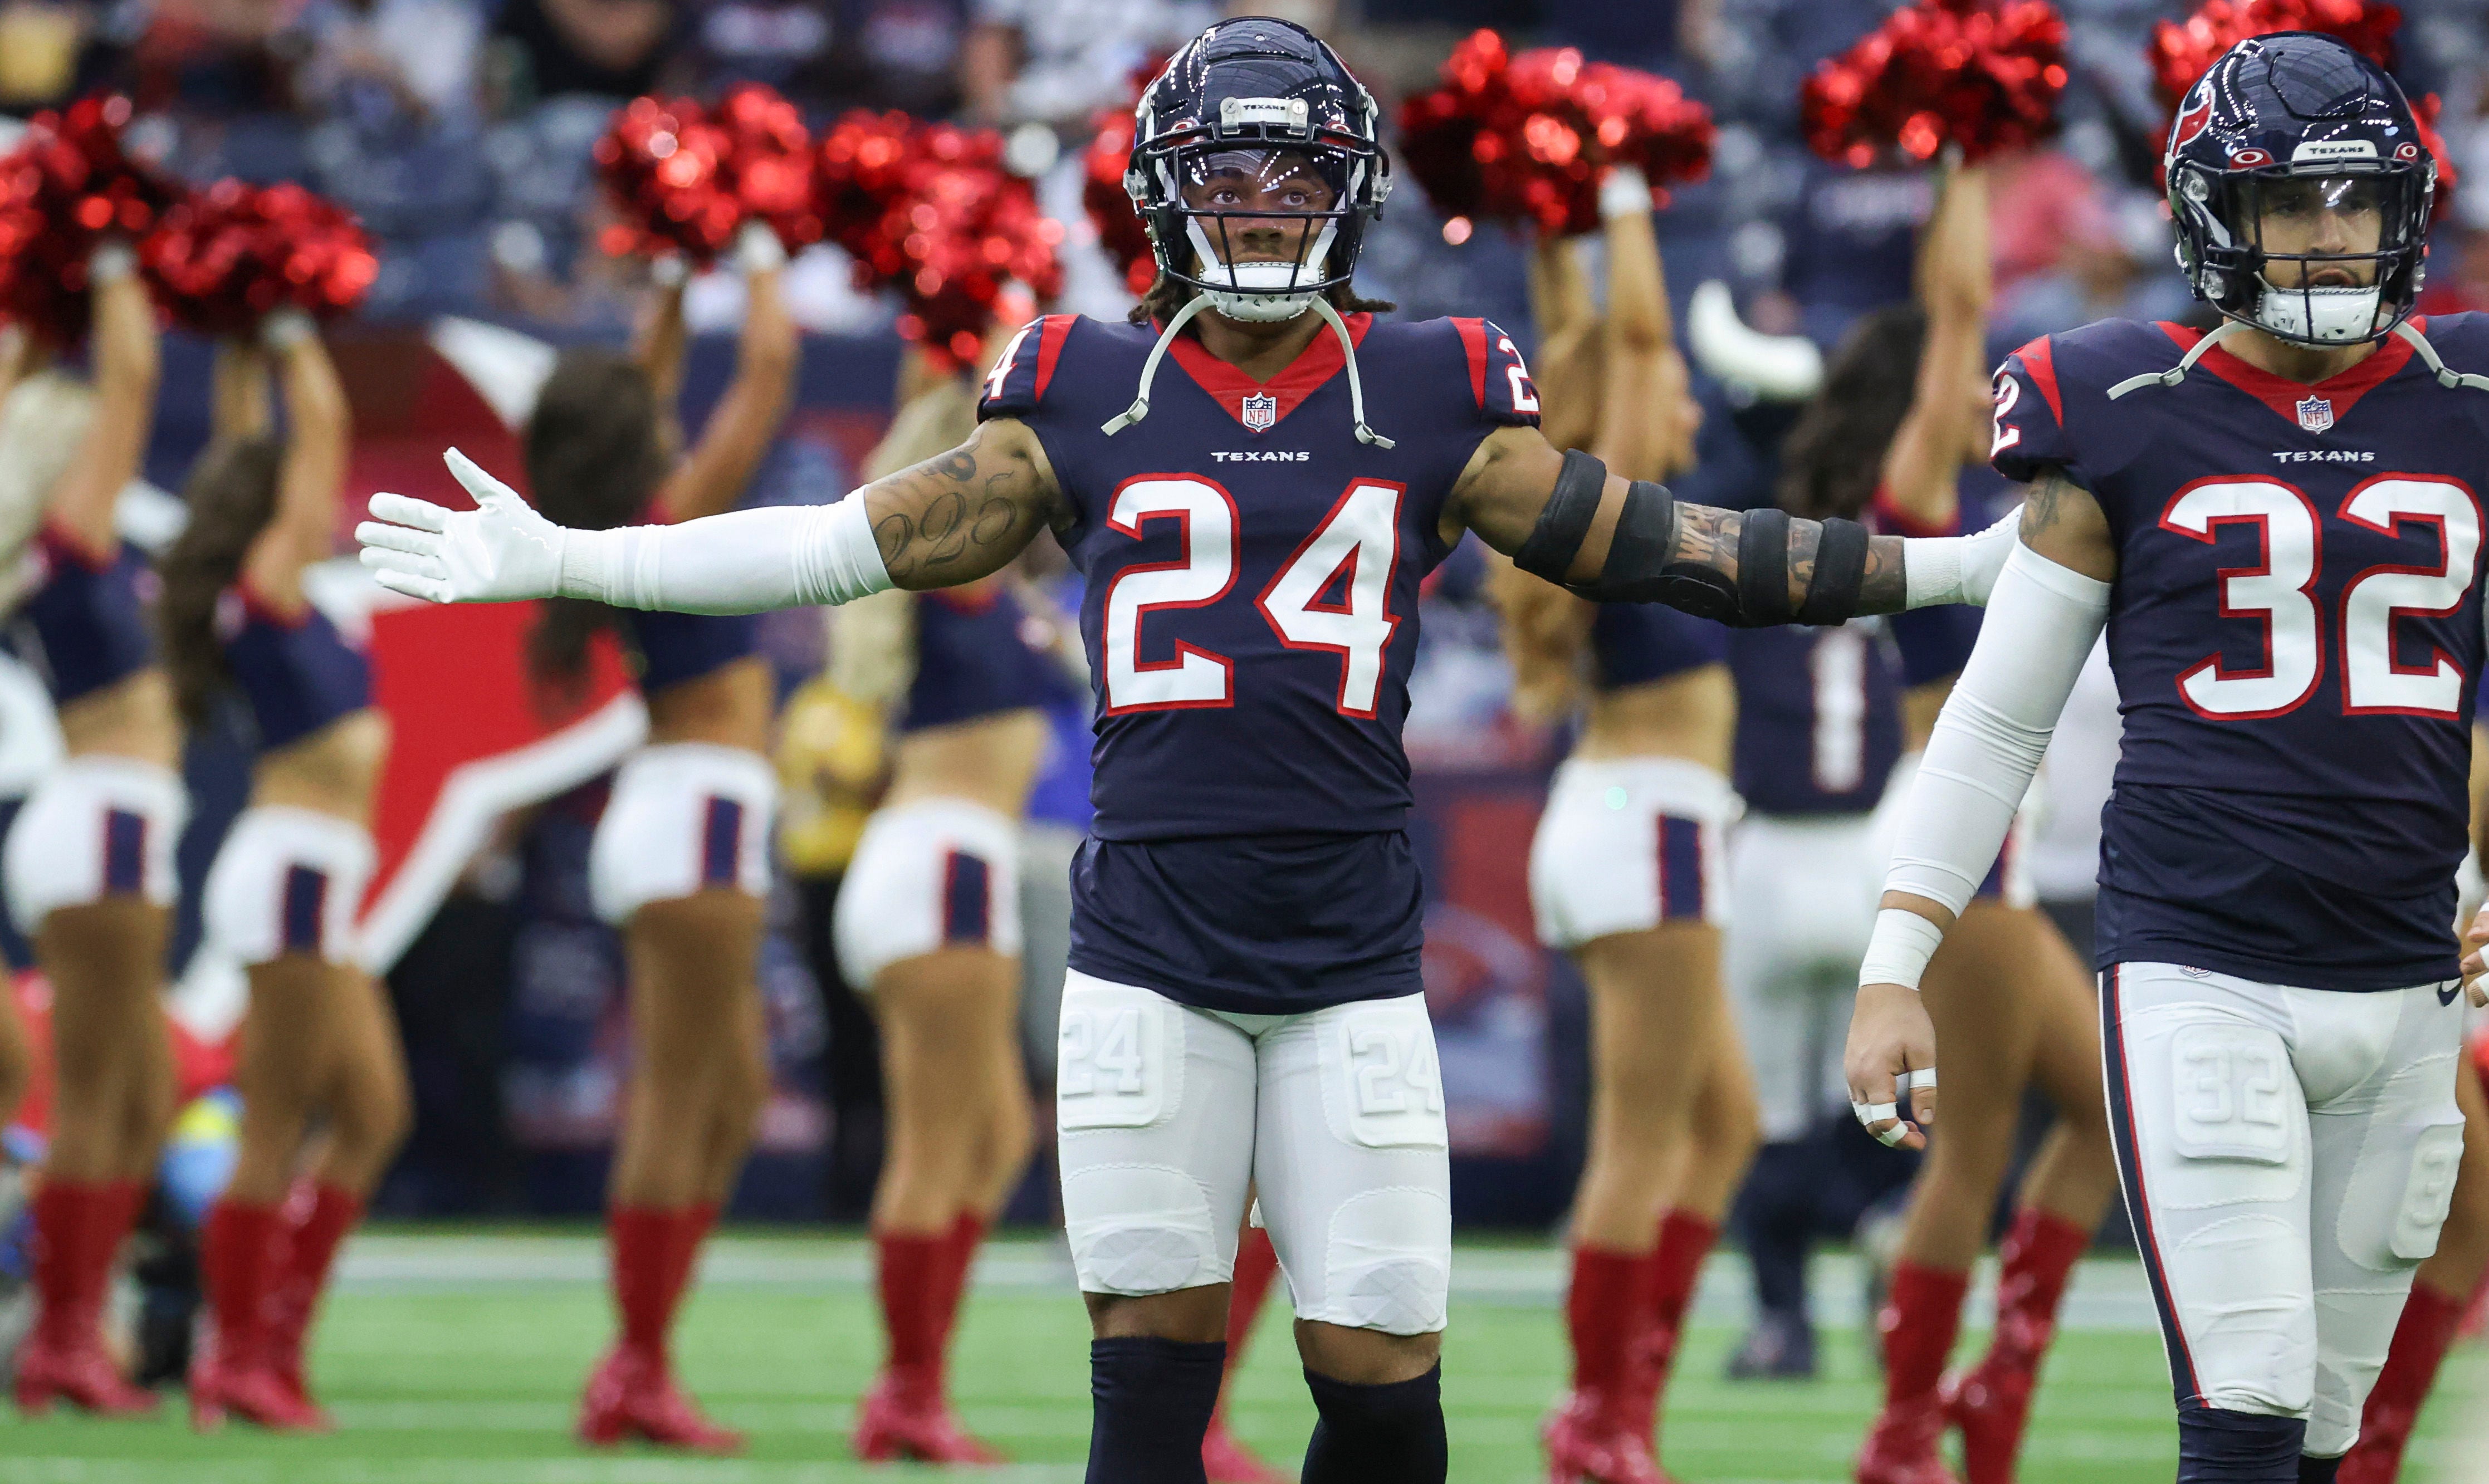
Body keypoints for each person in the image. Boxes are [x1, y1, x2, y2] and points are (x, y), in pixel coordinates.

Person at [356, 21, 2013, 1480]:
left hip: (1352, 959)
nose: (1266, 207)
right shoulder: (1081, 384)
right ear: (1167, 196)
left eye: (1295, 180)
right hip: (1148, 956)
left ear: (1347, 196)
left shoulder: (1429, 380)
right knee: (1144, 1394)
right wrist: (571, 555)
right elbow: (837, 543)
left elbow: (1661, 544)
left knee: (1380, 1391)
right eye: (1231, 177)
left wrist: (1942, 568)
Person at [1843, 35, 2488, 1484]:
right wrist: (1896, 957)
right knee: (2244, 1415)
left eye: (2355, 201)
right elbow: (1997, 717)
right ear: (2214, 214)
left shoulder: (2462, 397)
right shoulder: (2122, 408)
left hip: (2402, 982)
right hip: (2202, 967)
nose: (2329, 236)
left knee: (2323, 1439)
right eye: (2290, 202)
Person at [1818, 161, 2119, 1484]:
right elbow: (1954, 319)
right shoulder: (1921, 490)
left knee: (2003, 1137)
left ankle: (1943, 1423)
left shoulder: (1953, 497)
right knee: (2094, 1112)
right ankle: (1942, 1421)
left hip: (1968, 823)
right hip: (1961, 834)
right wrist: (1963, 162)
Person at [1492, 166, 1760, 1484]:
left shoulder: (1569, 488)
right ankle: (1594, 1415)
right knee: (1644, 1137)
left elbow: (1584, 349)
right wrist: (1624, 188)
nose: (1693, 402)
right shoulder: (1612, 494)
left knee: (1724, 1126)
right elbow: (1633, 344)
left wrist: (1553, 230)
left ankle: (1622, 1398)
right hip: (1646, 814)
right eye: (1670, 394)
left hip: (1622, 803)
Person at [523, 222, 796, 1451]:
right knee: (679, 1100)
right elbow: (770, 379)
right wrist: (755, 245)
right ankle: (632, 1366)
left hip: (683, 807)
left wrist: (678, 278)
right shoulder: (671, 515)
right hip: (694, 810)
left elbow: (668, 380)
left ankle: (643, 1353)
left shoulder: (628, 519)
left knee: (729, 1093)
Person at [159, 314, 413, 1431]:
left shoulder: (280, 586)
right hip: (295, 874)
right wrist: (292, 320)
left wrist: (241, 347)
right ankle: (234, 1358)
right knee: (275, 1124)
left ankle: (273, 1343)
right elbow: (321, 432)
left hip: (314, 877)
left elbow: (248, 443)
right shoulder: (269, 584)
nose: (329, 501)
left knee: (372, 1112)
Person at [830, 351, 1068, 1463]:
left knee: (999, 1131)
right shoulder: (950, 573)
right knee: (935, 1145)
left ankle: (913, 1379)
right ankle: (904, 1391)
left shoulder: (1008, 593)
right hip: (942, 864)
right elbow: (948, 449)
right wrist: (969, 363)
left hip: (945, 863)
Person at [3, 243, 183, 1418]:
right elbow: (131, 381)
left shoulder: (53, 553)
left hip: (113, 818)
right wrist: (110, 250)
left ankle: (75, 1323)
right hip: (100, 815)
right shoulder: (68, 550)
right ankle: (63, 1334)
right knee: (102, 1090)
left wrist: (30, 315)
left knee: (137, 1091)